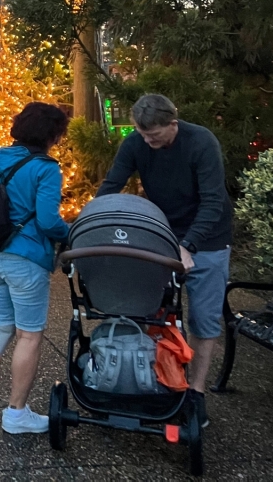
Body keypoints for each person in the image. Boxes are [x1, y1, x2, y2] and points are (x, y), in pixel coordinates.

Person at [96, 94, 233, 428]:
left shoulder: (200, 142)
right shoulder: (136, 143)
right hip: (161, 231)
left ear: (173, 123)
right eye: (143, 135)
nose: (148, 141)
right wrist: (94, 222)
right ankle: (148, 378)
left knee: (204, 319)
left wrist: (189, 246)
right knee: (147, 308)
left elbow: (214, 200)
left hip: (209, 236)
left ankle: (196, 394)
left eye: (154, 136)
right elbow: (113, 185)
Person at [0, 102, 70, 434]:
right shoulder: (46, 168)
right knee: (28, 335)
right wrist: (70, 234)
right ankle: (16, 413)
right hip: (25, 259)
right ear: (52, 134)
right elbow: (49, 219)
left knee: (0, 326)